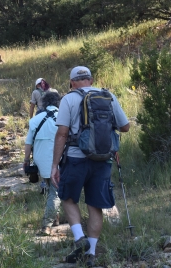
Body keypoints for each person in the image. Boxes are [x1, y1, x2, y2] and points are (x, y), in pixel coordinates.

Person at [51, 66, 130, 267]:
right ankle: (91, 254)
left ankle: (79, 239)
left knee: (67, 197)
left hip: (76, 158)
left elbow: (62, 133)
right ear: (91, 80)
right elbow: (125, 127)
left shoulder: (68, 99)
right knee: (95, 204)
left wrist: (54, 165)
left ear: (71, 82)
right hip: (102, 159)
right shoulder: (108, 96)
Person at [23, 91, 62, 236]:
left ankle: (56, 218)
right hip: (59, 159)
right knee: (56, 191)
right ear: (59, 102)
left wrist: (26, 160)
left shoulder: (35, 120)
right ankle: (46, 225)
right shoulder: (63, 117)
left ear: (43, 103)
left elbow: (28, 143)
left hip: (40, 159)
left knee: (50, 186)